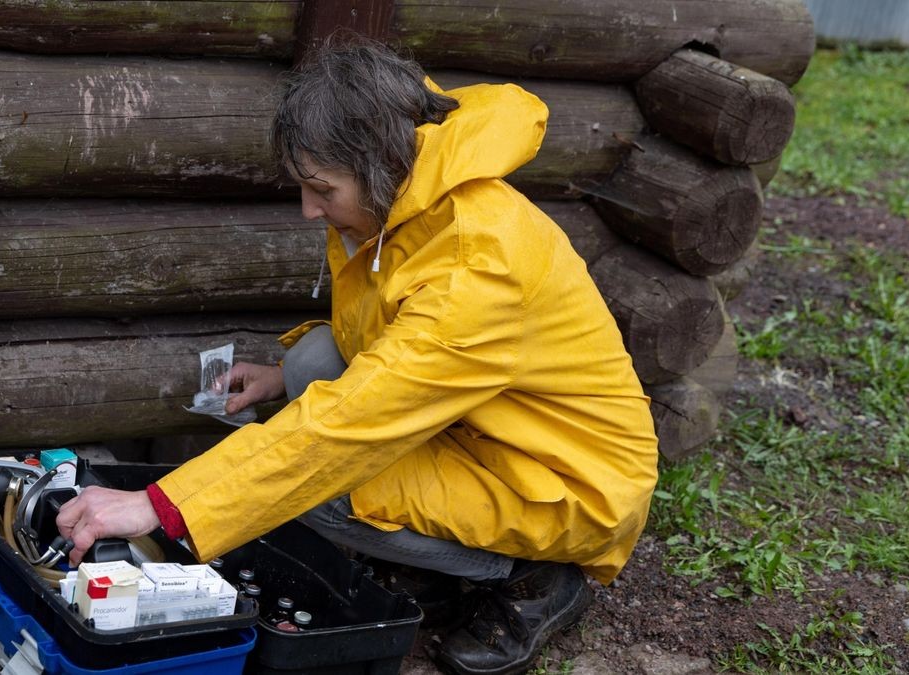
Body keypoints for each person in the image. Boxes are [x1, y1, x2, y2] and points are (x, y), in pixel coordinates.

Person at [57, 38, 659, 675]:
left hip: (562, 479)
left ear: (380, 165)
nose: (310, 208)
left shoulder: (478, 267)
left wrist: (160, 505)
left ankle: (532, 577)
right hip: (479, 429)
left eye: (322, 189)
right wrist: (278, 377)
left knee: (324, 489)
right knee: (312, 363)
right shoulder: (409, 197)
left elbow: (347, 430)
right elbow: (383, 342)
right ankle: (438, 552)